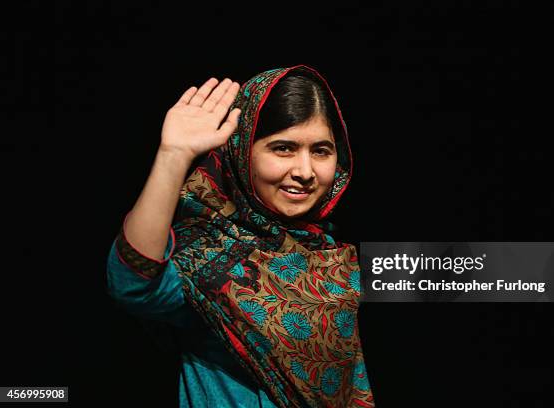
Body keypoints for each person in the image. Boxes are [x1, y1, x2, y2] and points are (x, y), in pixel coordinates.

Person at [106, 64, 375, 407]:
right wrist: (173, 156)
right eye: (283, 148)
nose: (305, 172)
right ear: (242, 150)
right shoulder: (208, 257)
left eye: (321, 151)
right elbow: (134, 283)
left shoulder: (332, 261)